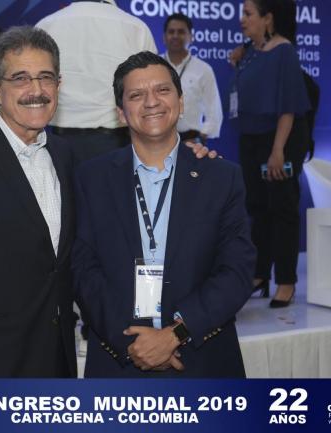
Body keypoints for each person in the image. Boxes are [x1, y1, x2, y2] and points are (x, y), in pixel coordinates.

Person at [0, 26, 216, 377]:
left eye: (46, 78)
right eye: (20, 78)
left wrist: (189, 158)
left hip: (56, 363)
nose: (36, 91)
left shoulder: (65, 157)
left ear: (59, 86)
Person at [72, 51, 256, 377]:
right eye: (136, 95)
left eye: (162, 90)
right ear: (120, 112)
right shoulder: (92, 178)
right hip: (120, 363)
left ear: (180, 102)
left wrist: (175, 334)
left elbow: (236, 271)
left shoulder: (221, 177)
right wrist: (131, 343)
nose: (151, 102)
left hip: (202, 361)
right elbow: (84, 271)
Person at [230, 0, 310, 307]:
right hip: (250, 140)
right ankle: (260, 274)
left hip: (278, 139)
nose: (242, 19)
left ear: (268, 19)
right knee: (258, 208)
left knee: (281, 208)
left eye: (248, 14)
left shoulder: (284, 51)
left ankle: (286, 280)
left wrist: (278, 151)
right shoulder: (249, 52)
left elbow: (288, 107)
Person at [36, 0, 157, 162]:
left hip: (57, 141)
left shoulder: (47, 25)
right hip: (115, 142)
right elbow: (152, 89)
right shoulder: (135, 27)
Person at [161, 14, 223, 143]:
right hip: (158, 140)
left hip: (191, 142)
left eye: (181, 32)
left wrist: (199, 138)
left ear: (191, 37)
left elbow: (214, 113)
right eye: (171, 32)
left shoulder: (204, 70)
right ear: (164, 37)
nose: (175, 36)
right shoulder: (153, 66)